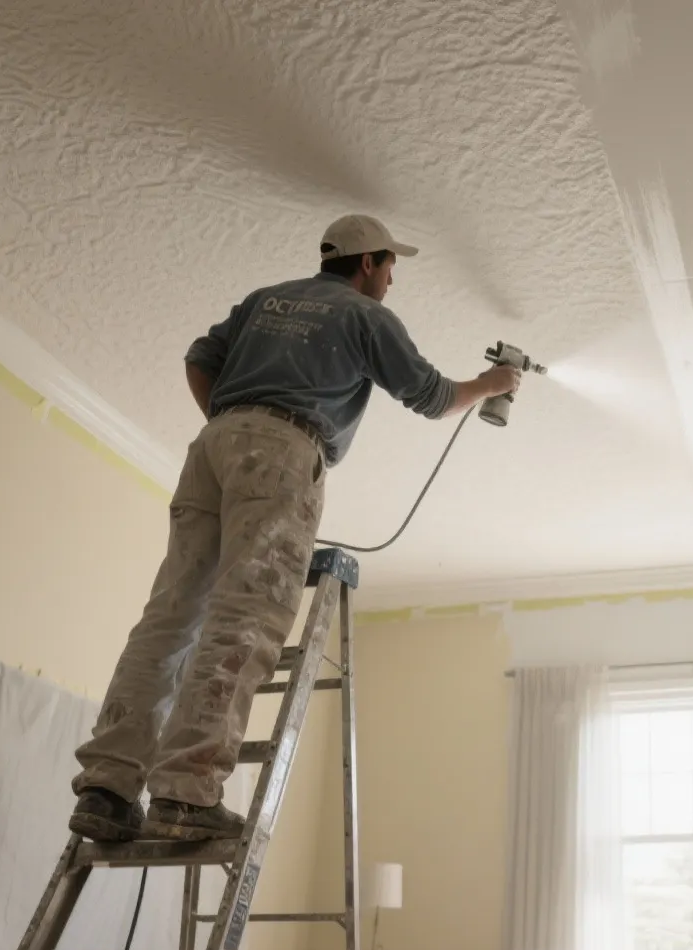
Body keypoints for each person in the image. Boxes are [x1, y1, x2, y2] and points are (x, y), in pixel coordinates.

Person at [68, 214, 519, 842]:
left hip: (212, 446)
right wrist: (496, 382)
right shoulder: (366, 316)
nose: (392, 282)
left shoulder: (266, 299)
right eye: (391, 267)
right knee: (244, 617)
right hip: (281, 453)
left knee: (171, 614)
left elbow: (201, 358)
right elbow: (434, 398)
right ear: (368, 262)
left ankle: (108, 787)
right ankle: (185, 794)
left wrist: (234, 424)